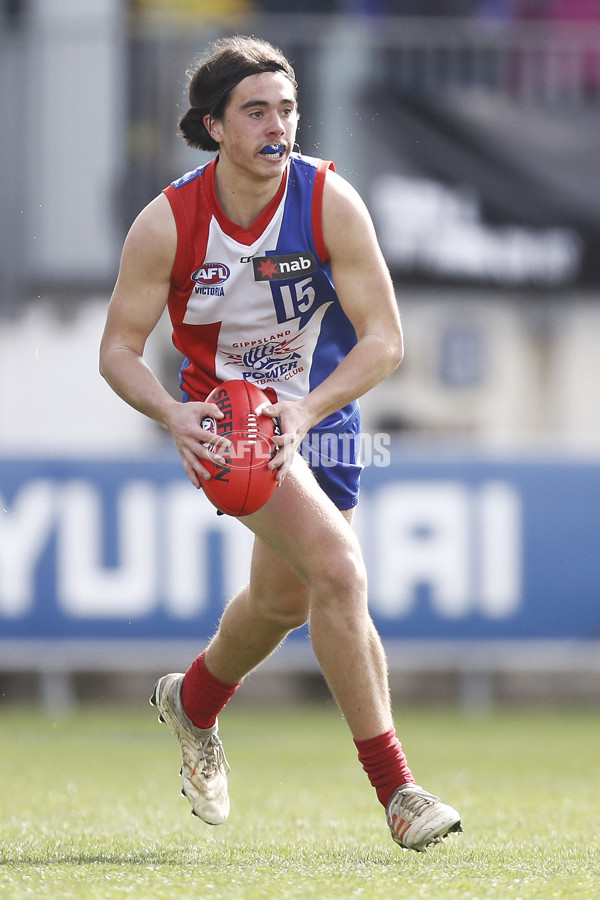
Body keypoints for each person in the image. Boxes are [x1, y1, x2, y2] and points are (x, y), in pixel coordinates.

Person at [99, 34, 462, 853]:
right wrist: (172, 414)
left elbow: (385, 342)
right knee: (338, 570)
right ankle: (398, 790)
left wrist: (307, 412)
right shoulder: (169, 221)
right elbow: (117, 350)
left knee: (284, 602)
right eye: (256, 111)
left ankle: (192, 702)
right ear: (214, 125)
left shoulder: (331, 200)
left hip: (319, 416)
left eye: (288, 109)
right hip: (226, 424)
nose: (278, 126)